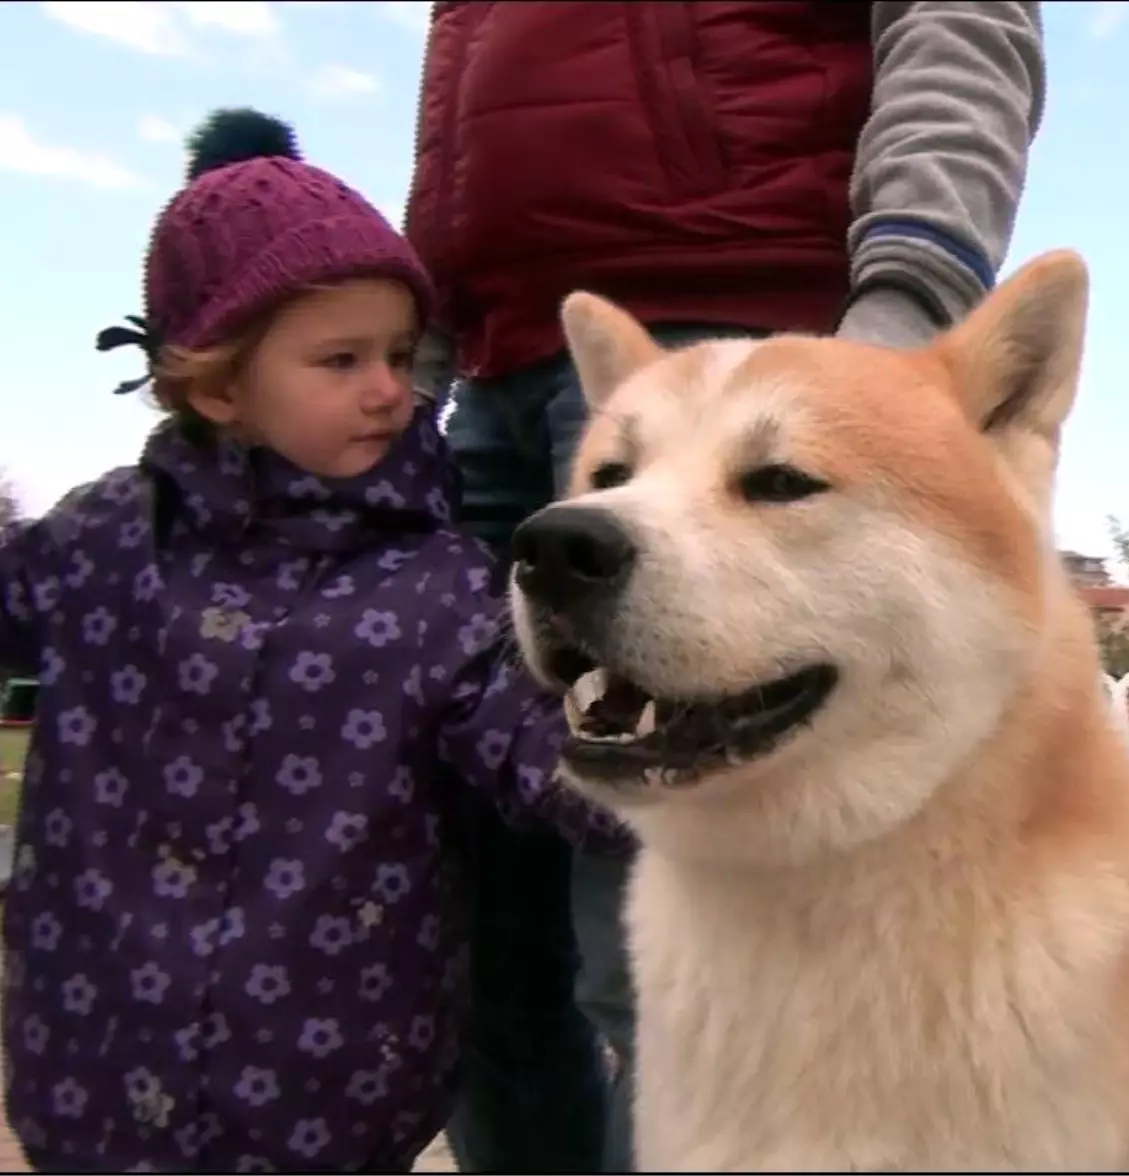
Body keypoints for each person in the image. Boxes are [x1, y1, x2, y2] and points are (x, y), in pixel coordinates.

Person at [404, 2, 1047, 1170]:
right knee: (472, 947)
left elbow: (961, 19)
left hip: (745, 321)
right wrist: (414, 374)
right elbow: (461, 134)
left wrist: (901, 324)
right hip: (489, 372)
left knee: (667, 975)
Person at [0, 107, 626, 1173]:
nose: (390, 390)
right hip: (89, 1072)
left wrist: (686, 763)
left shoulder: (435, 588)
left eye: (399, 354)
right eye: (340, 360)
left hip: (332, 1105)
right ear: (216, 384)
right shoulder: (103, 540)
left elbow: (546, 760)